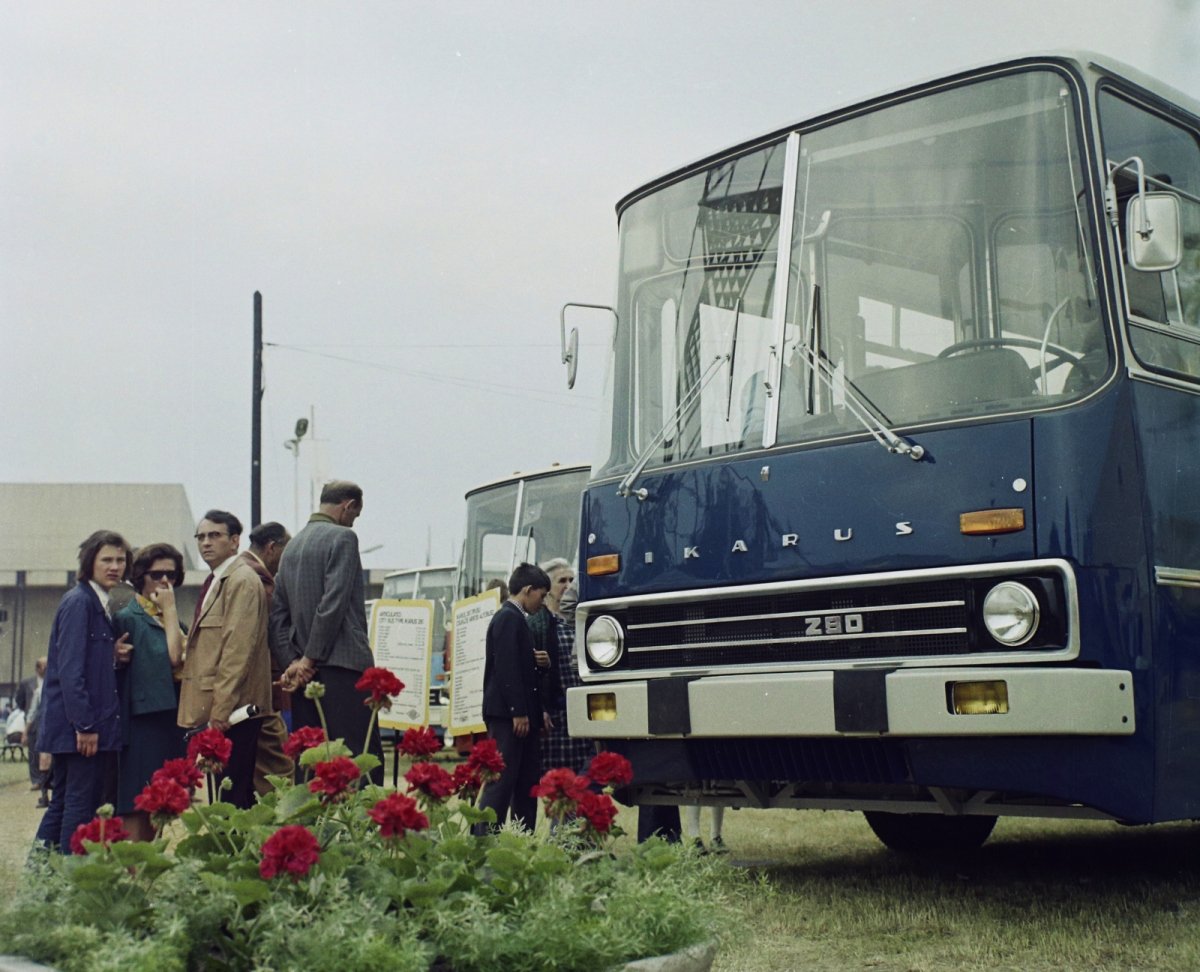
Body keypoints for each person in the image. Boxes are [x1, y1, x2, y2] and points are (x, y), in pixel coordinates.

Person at [270, 481, 383, 781]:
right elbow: (332, 604)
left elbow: (278, 614)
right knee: (360, 761)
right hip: (343, 668)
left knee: (313, 764)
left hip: (304, 677)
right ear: (349, 506)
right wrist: (309, 658)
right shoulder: (344, 538)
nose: (353, 521)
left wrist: (293, 663)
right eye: (355, 514)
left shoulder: (291, 546)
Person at [34, 530, 131, 853]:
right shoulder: (80, 603)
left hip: (75, 728)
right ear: (89, 562)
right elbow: (70, 672)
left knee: (63, 802)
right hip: (80, 731)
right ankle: (66, 880)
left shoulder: (94, 602)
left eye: (120, 559)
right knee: (77, 805)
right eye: (106, 559)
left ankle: (43, 879)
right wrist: (86, 726)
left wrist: (109, 654)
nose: (114, 566)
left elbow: (84, 661)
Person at [178, 511, 273, 809]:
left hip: (235, 711)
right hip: (224, 708)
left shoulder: (241, 580)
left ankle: (236, 854)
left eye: (215, 535)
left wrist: (220, 711)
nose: (206, 543)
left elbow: (237, 650)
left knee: (230, 798)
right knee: (228, 794)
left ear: (234, 541)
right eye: (201, 537)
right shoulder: (218, 580)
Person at [113, 543, 188, 840]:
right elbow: (172, 658)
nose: (165, 581)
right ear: (141, 577)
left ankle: (145, 872)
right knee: (135, 800)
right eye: (157, 574)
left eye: (171, 574)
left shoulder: (172, 620)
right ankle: (131, 872)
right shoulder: (129, 617)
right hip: (143, 721)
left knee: (160, 804)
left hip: (170, 720)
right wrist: (169, 610)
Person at [477, 562, 551, 832]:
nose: (543, 603)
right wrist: (518, 710)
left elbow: (519, 668)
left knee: (525, 781)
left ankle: (521, 836)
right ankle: (483, 837)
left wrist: (540, 667)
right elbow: (506, 668)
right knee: (502, 780)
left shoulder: (516, 619)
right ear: (528, 590)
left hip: (518, 715)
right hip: (509, 716)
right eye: (541, 595)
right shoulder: (509, 618)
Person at [240, 521, 294, 794]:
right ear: (273, 547)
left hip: (247, 693)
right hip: (262, 690)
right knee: (277, 773)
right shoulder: (258, 580)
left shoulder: (238, 570)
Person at [541, 584, 593, 776]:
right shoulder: (542, 626)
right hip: (557, 719)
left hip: (581, 712)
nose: (568, 585)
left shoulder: (581, 625)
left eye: (571, 579)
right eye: (561, 580)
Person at [17, 658, 47, 794]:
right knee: (33, 751)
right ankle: (36, 780)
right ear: (38, 668)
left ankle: (45, 780)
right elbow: (20, 701)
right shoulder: (26, 683)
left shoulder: (50, 681)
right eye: (43, 666)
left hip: (46, 721)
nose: (46, 669)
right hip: (33, 721)